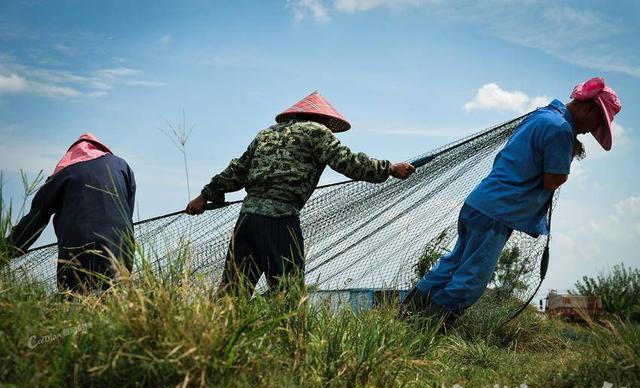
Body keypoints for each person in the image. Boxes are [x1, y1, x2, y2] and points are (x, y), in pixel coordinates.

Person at [401, 77, 622, 328]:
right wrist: (569, 154)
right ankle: (422, 331)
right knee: (471, 280)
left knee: (451, 265)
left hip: (479, 203)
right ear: (590, 107)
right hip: (498, 211)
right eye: (598, 122)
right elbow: (552, 180)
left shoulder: (543, 115)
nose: (591, 131)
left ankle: (403, 318)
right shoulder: (561, 129)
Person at [186, 91, 415, 298]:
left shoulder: (265, 134)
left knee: (232, 292)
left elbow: (236, 170)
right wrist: (390, 169)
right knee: (289, 294)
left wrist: (205, 195)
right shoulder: (317, 132)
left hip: (247, 220)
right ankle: (291, 343)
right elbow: (349, 162)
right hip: (280, 220)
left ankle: (219, 341)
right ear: (323, 119)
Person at [7, 133, 136, 293]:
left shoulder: (63, 174)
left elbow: (36, 219)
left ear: (70, 155)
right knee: (115, 302)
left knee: (75, 305)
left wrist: (6, 250)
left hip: (77, 255)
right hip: (120, 250)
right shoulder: (122, 167)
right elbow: (126, 215)